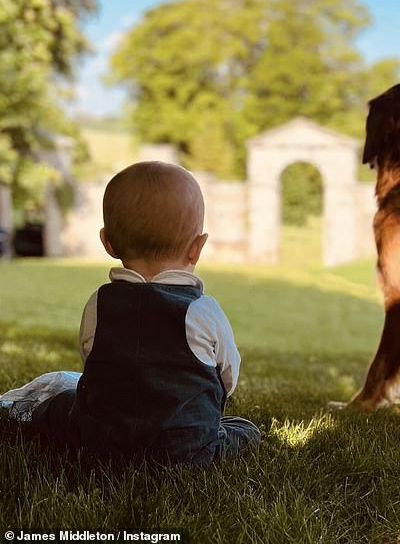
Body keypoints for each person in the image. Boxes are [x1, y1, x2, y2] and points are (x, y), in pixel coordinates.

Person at [0, 161, 260, 463]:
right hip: (185, 449)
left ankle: (17, 410)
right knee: (244, 429)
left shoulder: (99, 302)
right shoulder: (203, 310)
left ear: (108, 242)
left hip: (100, 441)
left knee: (62, 405)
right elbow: (227, 377)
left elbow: (94, 365)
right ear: (197, 247)